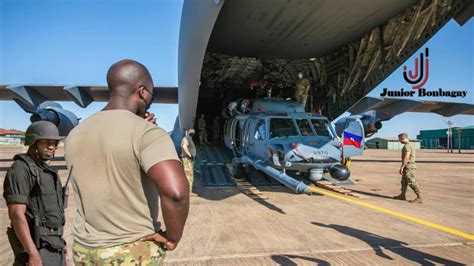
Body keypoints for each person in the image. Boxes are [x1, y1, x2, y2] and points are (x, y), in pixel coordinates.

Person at [65, 59, 189, 265]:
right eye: (151, 94)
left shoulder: (75, 134)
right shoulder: (148, 133)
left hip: (85, 250)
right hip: (131, 250)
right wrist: (172, 237)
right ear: (142, 91)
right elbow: (176, 193)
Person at [3, 121, 66, 266]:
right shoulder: (20, 169)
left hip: (54, 247)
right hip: (37, 248)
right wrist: (33, 254)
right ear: (33, 142)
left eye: (55, 143)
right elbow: (16, 215)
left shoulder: (45, 171)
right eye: (47, 142)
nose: (52, 146)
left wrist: (63, 248)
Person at [393, 133, 423, 203]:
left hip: (409, 166)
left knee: (411, 181)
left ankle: (419, 197)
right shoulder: (409, 145)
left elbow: (406, 157)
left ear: (403, 138)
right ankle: (402, 195)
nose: (399, 141)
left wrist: (402, 167)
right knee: (404, 181)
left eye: (399, 139)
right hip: (408, 165)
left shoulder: (407, 146)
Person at [181, 128, 197, 194]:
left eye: (193, 130)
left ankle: (188, 191)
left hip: (189, 159)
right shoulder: (186, 138)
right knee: (189, 175)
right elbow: (184, 146)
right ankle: (188, 192)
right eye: (191, 131)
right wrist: (190, 155)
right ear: (187, 131)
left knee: (189, 175)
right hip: (188, 159)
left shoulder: (189, 138)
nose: (193, 132)